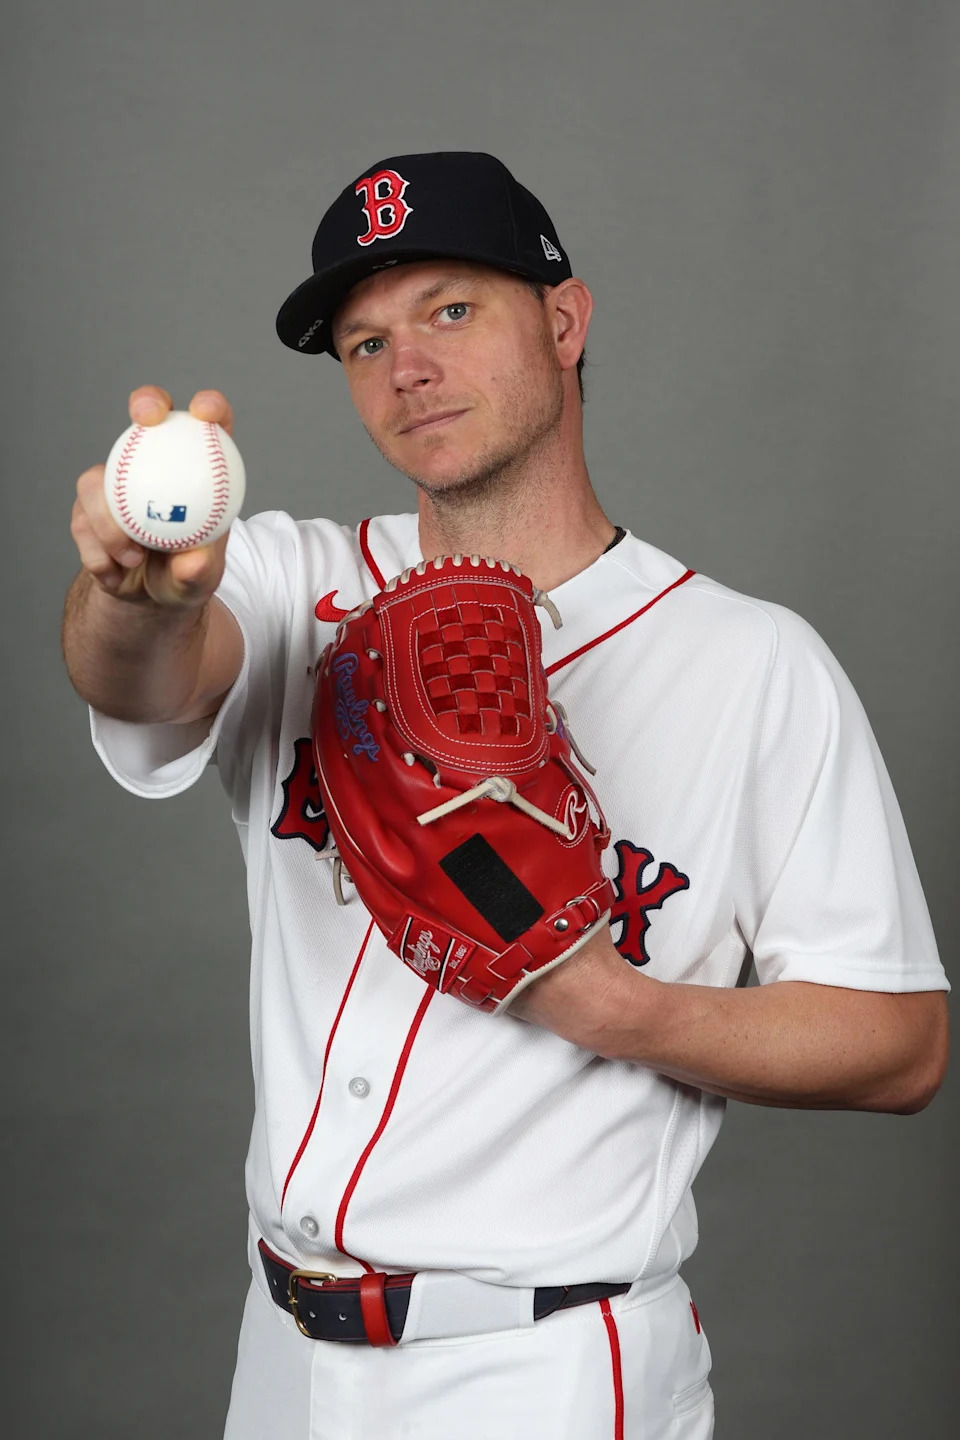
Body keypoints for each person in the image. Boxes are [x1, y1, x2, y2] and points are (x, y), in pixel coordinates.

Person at [62, 151, 949, 1440]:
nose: (405, 366)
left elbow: (901, 1044)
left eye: (451, 311)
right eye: (362, 343)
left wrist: (605, 1004)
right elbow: (139, 680)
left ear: (567, 320)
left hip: (543, 1370)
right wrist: (139, 595)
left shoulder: (752, 664)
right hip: (284, 1355)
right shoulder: (280, 579)